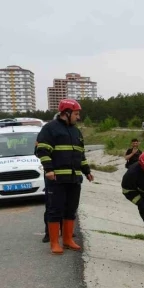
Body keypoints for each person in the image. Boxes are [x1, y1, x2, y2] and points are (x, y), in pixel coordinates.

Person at [35, 99, 94, 254]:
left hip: (74, 179)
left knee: (71, 210)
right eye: (76, 113)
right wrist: (48, 169)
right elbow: (42, 150)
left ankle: (68, 240)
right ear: (66, 113)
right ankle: (54, 243)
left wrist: (87, 171)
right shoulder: (50, 129)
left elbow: (80, 154)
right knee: (55, 210)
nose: (78, 116)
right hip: (57, 179)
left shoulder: (76, 131)